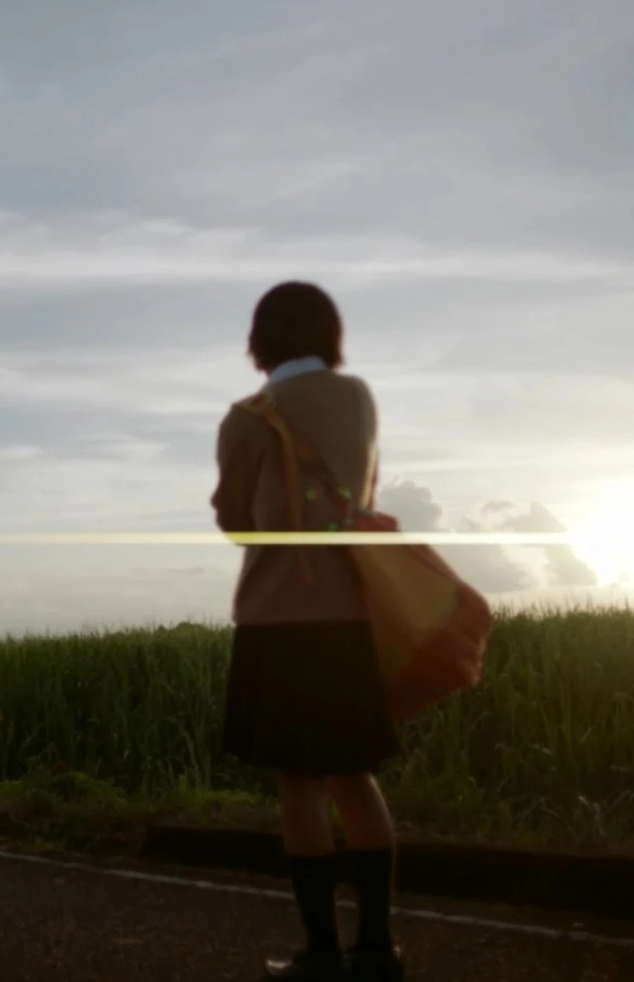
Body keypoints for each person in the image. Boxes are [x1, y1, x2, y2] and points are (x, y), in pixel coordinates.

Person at [211, 281, 403, 981]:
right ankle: (376, 951)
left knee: (299, 783)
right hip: (351, 612)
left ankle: (321, 955)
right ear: (330, 334)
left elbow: (237, 523)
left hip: (279, 615)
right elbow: (364, 493)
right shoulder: (359, 400)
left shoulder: (248, 417)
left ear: (259, 341)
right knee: (354, 776)